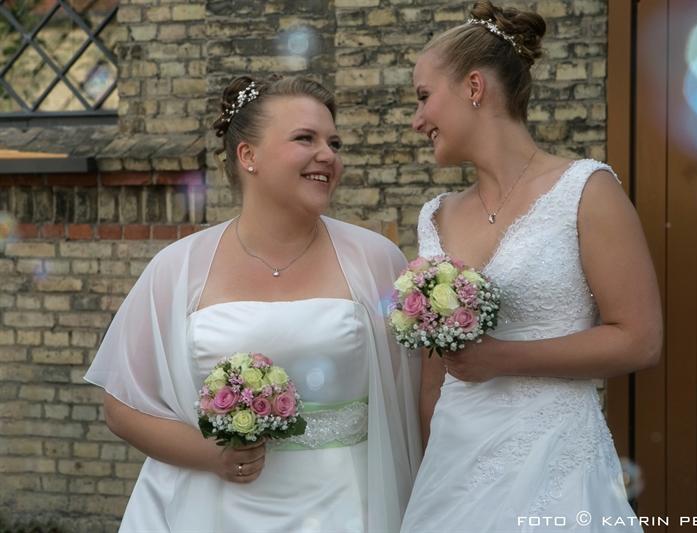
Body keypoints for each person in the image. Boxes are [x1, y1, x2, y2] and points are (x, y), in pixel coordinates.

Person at [85, 74, 421, 532]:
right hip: (211, 507)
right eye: (306, 138)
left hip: (346, 503)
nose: (328, 155)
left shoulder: (376, 260)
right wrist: (213, 454)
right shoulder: (179, 268)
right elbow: (122, 406)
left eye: (334, 142)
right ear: (248, 156)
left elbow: (413, 394)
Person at [401, 2, 662, 532]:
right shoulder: (437, 216)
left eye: (424, 97)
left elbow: (639, 339)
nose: (417, 120)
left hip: (556, 461)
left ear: (474, 87)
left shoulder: (586, 191)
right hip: (454, 471)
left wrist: (502, 357)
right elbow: (433, 377)